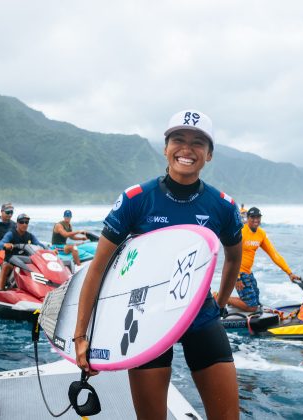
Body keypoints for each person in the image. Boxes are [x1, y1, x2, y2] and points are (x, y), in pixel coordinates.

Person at [74, 109, 242, 420]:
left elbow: (233, 256)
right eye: (178, 140)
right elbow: (98, 268)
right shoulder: (136, 199)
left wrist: (218, 302)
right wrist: (81, 335)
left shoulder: (223, 206)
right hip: (143, 316)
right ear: (165, 148)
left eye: (198, 143)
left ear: (209, 155)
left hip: (199, 314)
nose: (187, 149)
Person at [224, 207, 300, 312]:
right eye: (252, 217)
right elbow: (232, 255)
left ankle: (234, 303)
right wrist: (237, 278)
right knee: (252, 306)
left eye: (258, 217)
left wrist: (289, 273)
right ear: (247, 218)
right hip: (238, 273)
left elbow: (274, 255)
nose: (256, 220)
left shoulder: (261, 234)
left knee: (256, 302)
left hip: (248, 273)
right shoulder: (241, 232)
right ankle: (220, 297)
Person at [0, 213, 45, 290]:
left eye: (26, 222)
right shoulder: (11, 234)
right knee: (5, 266)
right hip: (11, 262)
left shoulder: (30, 236)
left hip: (24, 263)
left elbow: (39, 245)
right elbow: (0, 244)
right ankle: (0, 290)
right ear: (17, 223)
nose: (24, 224)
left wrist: (50, 251)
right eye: (22, 222)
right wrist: (5, 245)